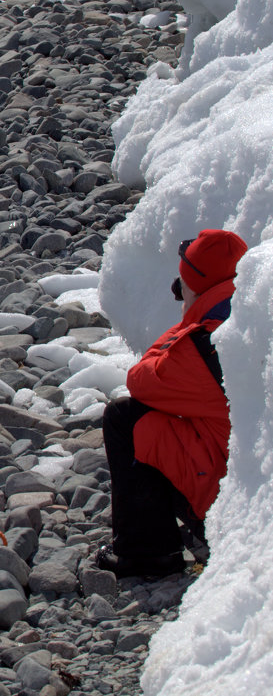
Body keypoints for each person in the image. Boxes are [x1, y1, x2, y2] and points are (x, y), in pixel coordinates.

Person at [95, 229, 248, 578]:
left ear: (195, 284)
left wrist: (191, 317)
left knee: (125, 418)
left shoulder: (201, 347)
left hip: (232, 503)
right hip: (252, 478)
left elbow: (141, 381)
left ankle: (148, 554)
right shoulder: (251, 323)